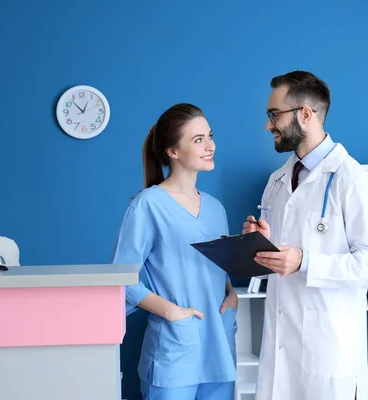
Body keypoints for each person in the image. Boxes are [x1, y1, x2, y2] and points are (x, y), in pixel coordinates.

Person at [242, 71, 368, 400]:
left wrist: (305, 262)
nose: (268, 125)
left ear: (305, 114)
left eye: (274, 115)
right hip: (280, 348)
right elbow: (279, 259)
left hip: (328, 355)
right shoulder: (277, 181)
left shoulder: (353, 181)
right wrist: (259, 243)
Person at [111, 103, 238, 400]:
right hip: (176, 349)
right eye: (198, 140)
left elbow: (213, 267)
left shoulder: (216, 208)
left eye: (209, 136)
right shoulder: (148, 205)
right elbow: (121, 277)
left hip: (219, 346)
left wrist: (230, 292)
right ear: (173, 151)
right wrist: (171, 312)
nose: (210, 146)